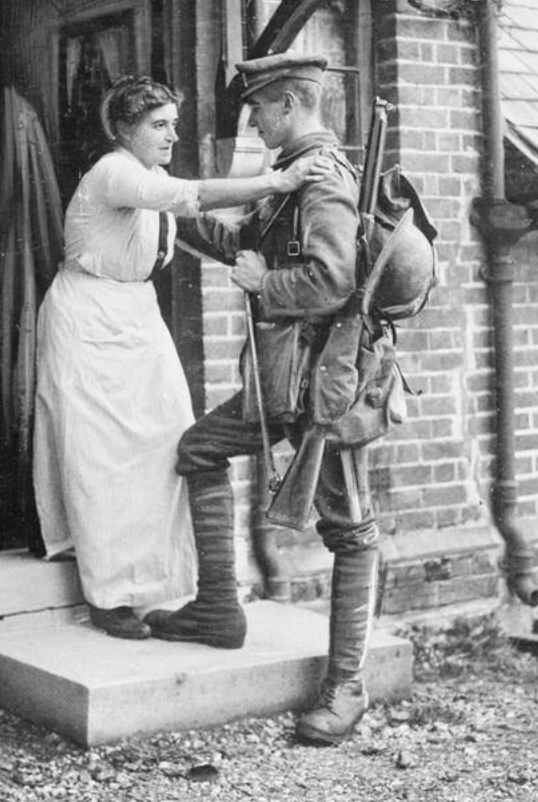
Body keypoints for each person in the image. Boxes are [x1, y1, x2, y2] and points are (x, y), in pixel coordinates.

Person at [33, 75, 331, 641]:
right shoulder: (114, 172)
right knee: (99, 454)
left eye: (174, 123)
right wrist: (280, 177)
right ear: (123, 130)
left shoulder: (153, 176)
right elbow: (187, 196)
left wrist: (271, 226)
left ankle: (160, 582)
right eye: (158, 125)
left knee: (165, 442)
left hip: (136, 314)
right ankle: (107, 594)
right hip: (89, 313)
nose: (172, 135)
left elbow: (202, 224)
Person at [145, 55, 380, 745]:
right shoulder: (293, 178)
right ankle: (219, 606)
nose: (253, 122)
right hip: (282, 382)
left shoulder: (325, 179)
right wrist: (168, 195)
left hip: (324, 388)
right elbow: (242, 242)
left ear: (289, 104)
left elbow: (332, 280)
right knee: (199, 450)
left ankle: (348, 685)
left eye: (259, 110)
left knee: (350, 528)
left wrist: (263, 284)